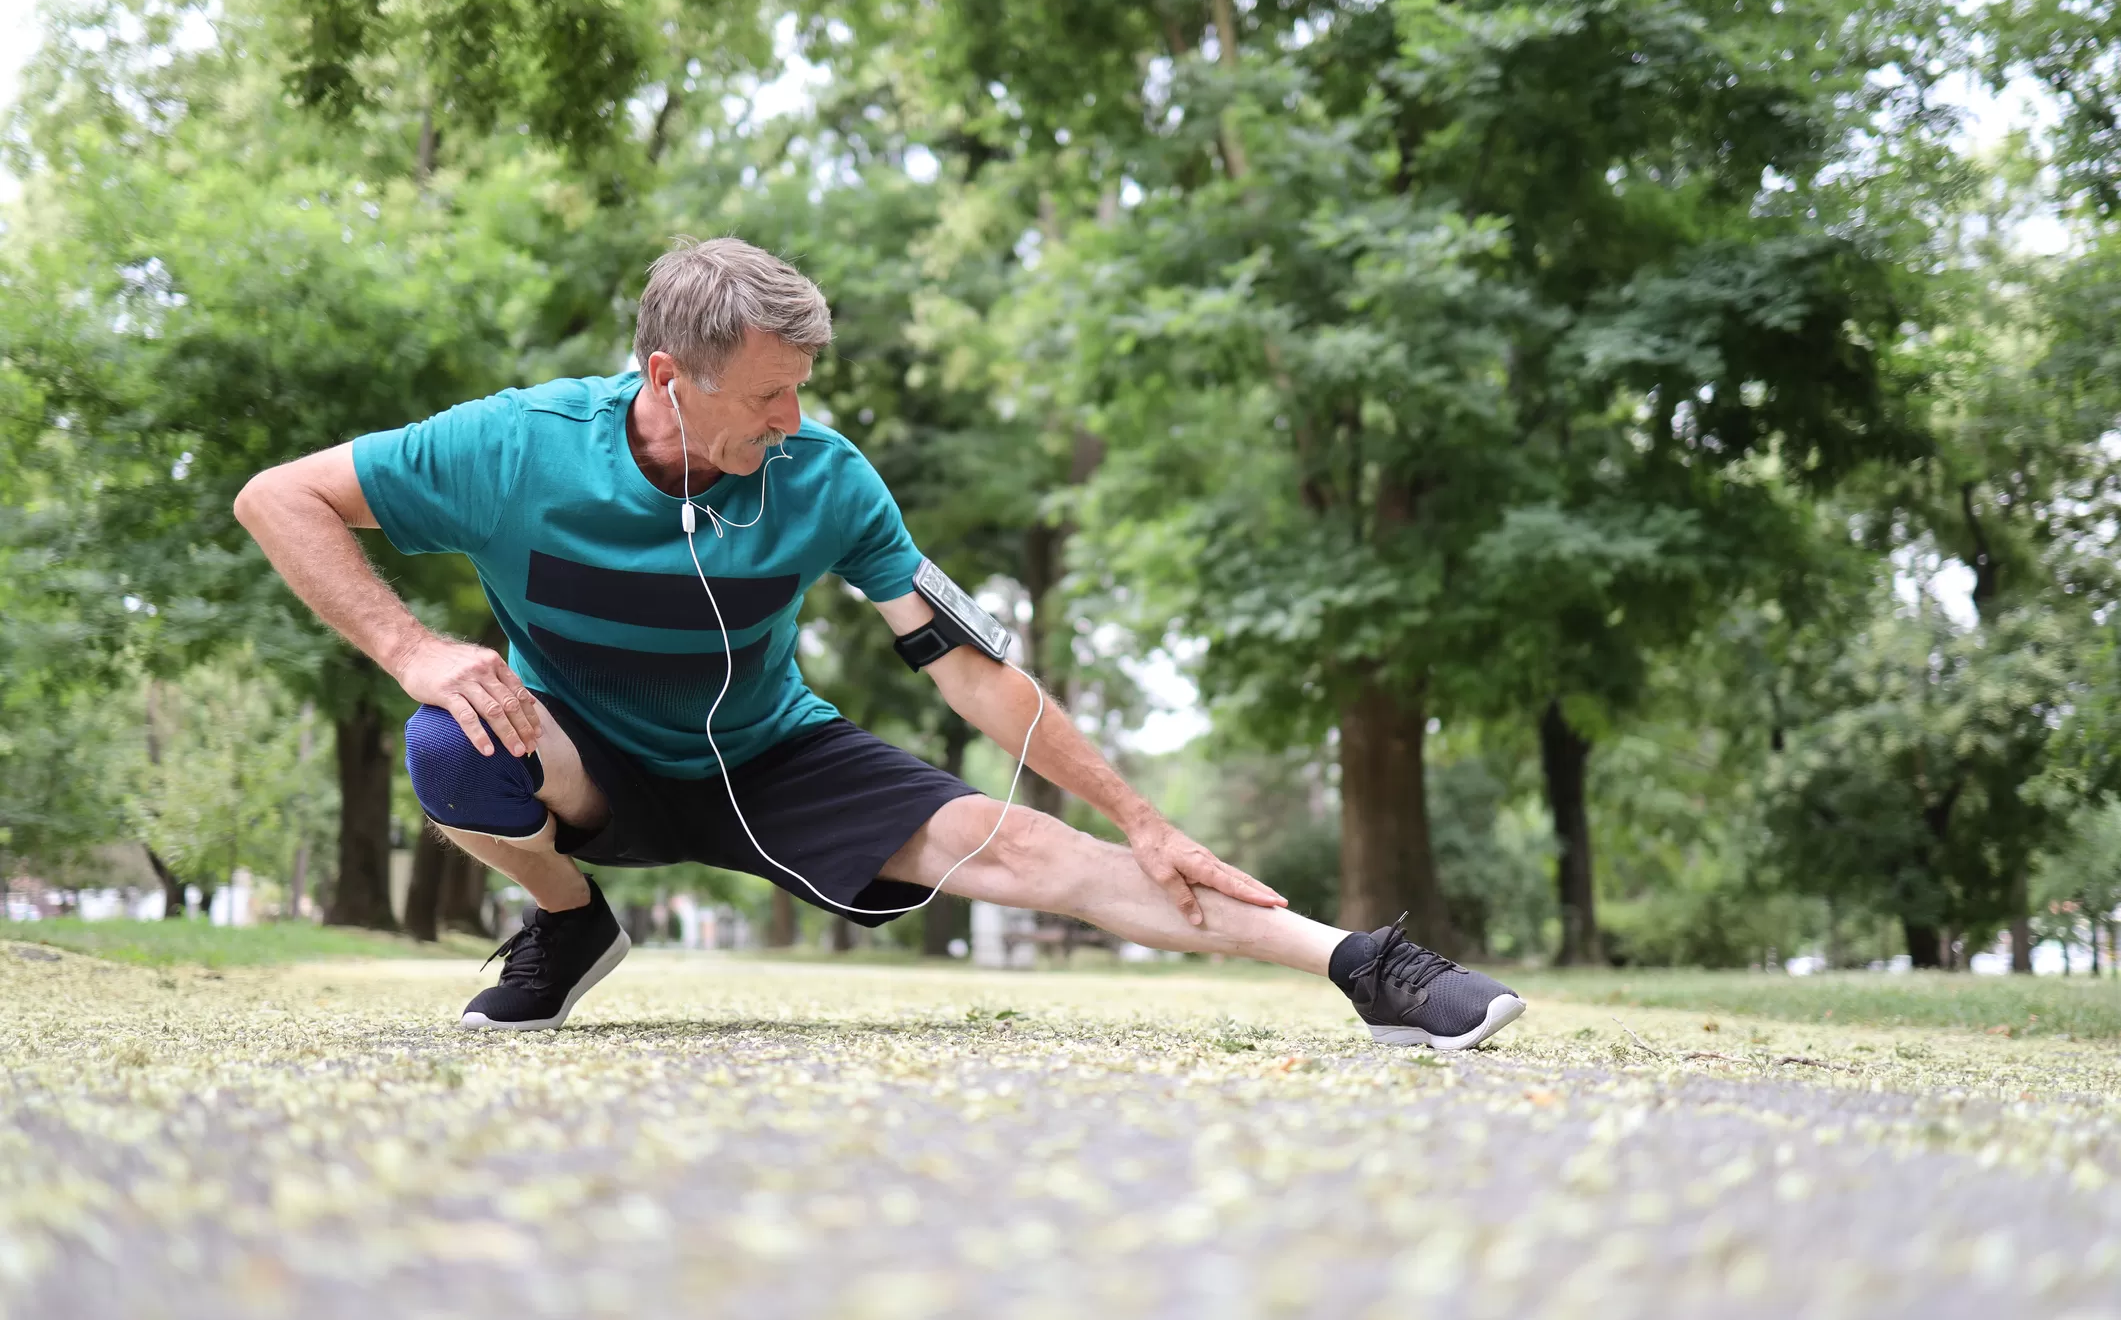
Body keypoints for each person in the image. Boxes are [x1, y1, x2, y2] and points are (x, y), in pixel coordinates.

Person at [234, 236, 1526, 1049]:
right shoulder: (514, 447)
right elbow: (276, 495)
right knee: (446, 739)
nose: (796, 418)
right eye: (768, 392)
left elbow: (966, 665)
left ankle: (1362, 966)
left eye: (806, 384)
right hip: (582, 754)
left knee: (1036, 848)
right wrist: (413, 647)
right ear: (665, 375)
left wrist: (1139, 808)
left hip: (769, 754)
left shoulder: (826, 476)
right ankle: (566, 923)